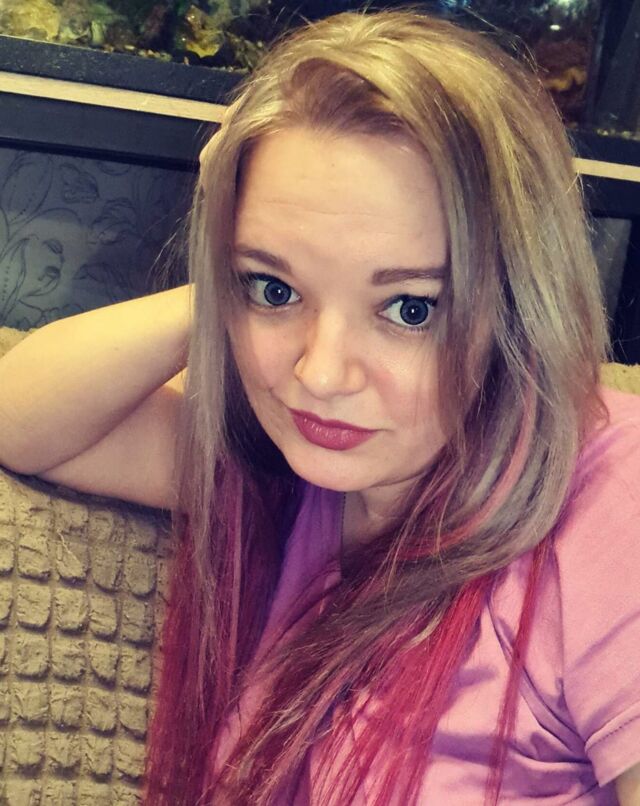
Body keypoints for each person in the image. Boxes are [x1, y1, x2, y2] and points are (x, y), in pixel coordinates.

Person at [0, 7, 639, 805]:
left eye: (410, 308)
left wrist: (284, 274)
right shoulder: (297, 476)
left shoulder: (612, 494)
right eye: (274, 291)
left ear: (519, 300)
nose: (322, 374)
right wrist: (228, 271)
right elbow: (21, 419)